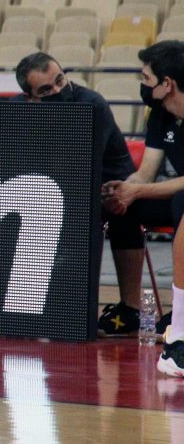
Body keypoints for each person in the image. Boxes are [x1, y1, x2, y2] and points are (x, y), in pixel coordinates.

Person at [12, 52, 148, 337]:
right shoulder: (17, 111)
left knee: (118, 211)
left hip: (106, 182)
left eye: (60, 80)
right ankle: (28, 304)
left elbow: (83, 164)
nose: (58, 91)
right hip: (59, 185)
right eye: (47, 90)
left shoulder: (91, 104)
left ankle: (127, 310)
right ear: (30, 98)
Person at [102, 40, 184, 375]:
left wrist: (140, 191)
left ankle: (179, 316)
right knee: (123, 208)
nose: (142, 83)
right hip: (173, 196)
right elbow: (146, 173)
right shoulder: (160, 116)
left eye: (146, 77)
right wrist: (124, 190)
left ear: (168, 83)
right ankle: (131, 308)